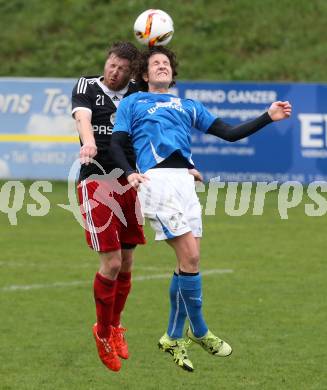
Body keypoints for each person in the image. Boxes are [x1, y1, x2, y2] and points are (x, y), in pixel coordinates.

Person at [110, 46, 292, 372]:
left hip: (185, 183)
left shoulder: (187, 105)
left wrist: (268, 116)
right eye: (156, 64)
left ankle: (172, 336)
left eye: (166, 63)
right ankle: (201, 330)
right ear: (145, 74)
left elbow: (229, 133)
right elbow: (116, 142)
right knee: (191, 257)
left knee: (187, 264)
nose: (163, 67)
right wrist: (129, 171)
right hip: (156, 183)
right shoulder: (133, 102)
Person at [71, 42, 146, 372]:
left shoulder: (137, 92)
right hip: (96, 181)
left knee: (128, 262)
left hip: (128, 182)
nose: (113, 71)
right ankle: (102, 333)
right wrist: (88, 140)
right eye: (111, 64)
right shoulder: (87, 86)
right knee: (112, 262)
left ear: (131, 72)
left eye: (120, 68)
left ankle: (115, 327)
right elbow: (83, 118)